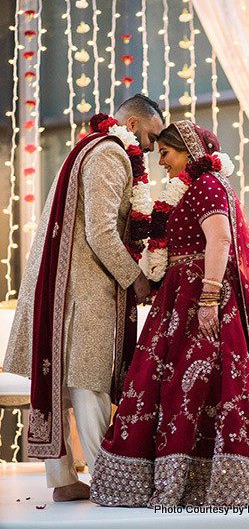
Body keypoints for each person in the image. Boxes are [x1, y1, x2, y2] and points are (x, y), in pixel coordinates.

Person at [90, 120, 249, 507]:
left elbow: (220, 239)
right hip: (181, 298)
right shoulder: (193, 189)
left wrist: (209, 298)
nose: (160, 161)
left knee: (201, 381)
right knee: (179, 383)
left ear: (189, 151)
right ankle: (179, 471)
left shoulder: (208, 185)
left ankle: (216, 476)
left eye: (166, 152)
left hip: (201, 297)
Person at [3, 94, 164, 501]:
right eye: (151, 135)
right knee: (89, 382)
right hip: (82, 288)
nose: (151, 147)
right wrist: (136, 279)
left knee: (66, 383)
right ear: (131, 126)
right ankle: (108, 480)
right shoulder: (110, 154)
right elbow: (101, 230)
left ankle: (64, 482)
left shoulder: (89, 148)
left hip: (67, 283)